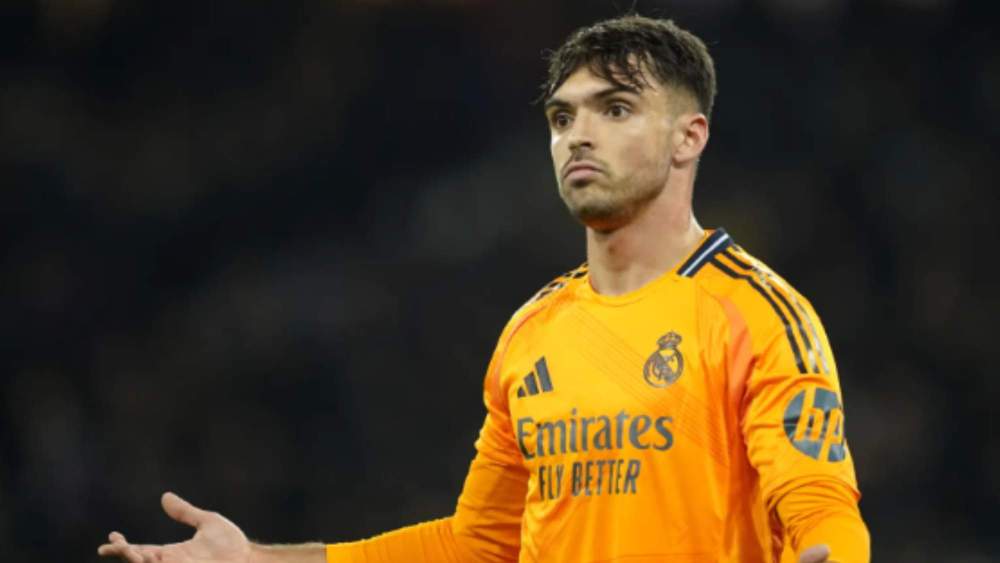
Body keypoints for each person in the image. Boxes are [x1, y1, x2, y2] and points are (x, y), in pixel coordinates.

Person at [98, 15, 869, 563]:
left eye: (616, 109)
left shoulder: (757, 315)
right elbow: (478, 544)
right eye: (562, 117)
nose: (579, 135)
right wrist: (260, 559)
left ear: (688, 137)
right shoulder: (533, 331)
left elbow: (821, 508)